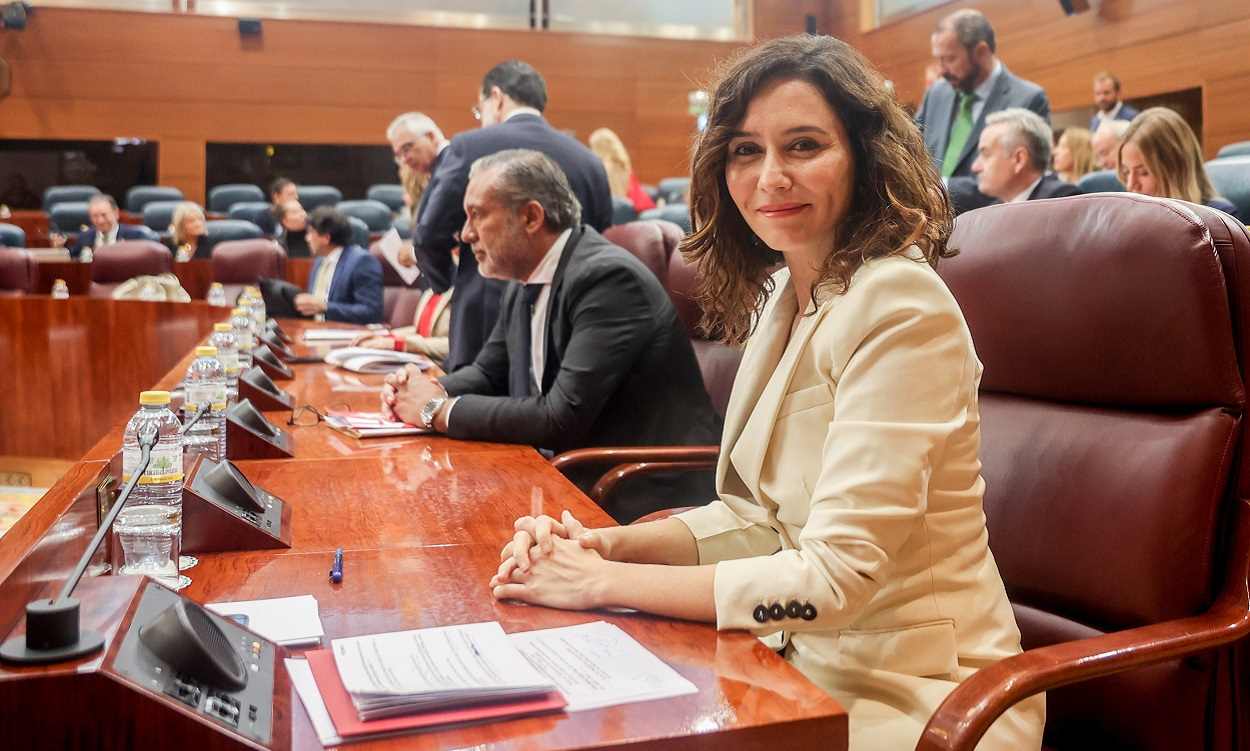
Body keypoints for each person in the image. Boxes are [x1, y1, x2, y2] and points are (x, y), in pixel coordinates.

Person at [488, 35, 1045, 750]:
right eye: (746, 151)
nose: (770, 176)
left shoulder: (905, 307)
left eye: (804, 145)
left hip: (920, 696)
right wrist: (606, 546)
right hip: (787, 661)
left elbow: (833, 576)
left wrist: (598, 583)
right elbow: (755, 518)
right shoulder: (784, 289)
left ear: (865, 157)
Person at [382, 149, 720, 522]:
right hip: (565, 470)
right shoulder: (525, 275)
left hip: (634, 486)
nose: (465, 233)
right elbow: (488, 374)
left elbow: (561, 417)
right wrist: (424, 389)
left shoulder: (607, 280)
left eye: (477, 214)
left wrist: (435, 411)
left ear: (530, 217)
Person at [413, 59, 613, 372]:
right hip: (571, 319)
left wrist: (451, 285)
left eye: (480, 110)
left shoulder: (468, 145)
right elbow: (601, 234)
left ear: (497, 97)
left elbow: (428, 233)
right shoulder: (589, 161)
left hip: (482, 312)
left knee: (472, 409)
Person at [916, 9, 1050, 179]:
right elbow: (913, 149)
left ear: (982, 52)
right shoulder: (937, 93)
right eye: (939, 59)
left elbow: (1021, 180)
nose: (942, 71)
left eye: (950, 59)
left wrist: (939, 190)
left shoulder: (1028, 99)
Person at [1118, 107, 1243, 221]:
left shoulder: (1220, 219)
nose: (1131, 184)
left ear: (1177, 171)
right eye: (1126, 172)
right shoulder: (1126, 219)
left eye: (1143, 173)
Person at [294, 206, 384, 324]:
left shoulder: (362, 261)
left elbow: (371, 312)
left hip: (347, 335)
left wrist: (325, 307)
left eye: (311, 232)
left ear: (326, 238)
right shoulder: (319, 261)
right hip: (315, 331)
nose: (307, 238)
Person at [971, 108, 1080, 204]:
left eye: (985, 154)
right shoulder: (992, 211)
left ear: (1019, 159)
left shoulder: (1062, 201)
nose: (975, 167)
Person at [354, 287, 454, 365]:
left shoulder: (460, 293)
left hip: (440, 369)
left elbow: (454, 346)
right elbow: (418, 330)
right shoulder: (430, 291)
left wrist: (400, 344)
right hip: (418, 360)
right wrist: (384, 337)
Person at [60, 194, 150, 259]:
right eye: (95, 216)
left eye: (104, 215)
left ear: (116, 213)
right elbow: (71, 260)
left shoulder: (135, 236)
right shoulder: (85, 237)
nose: (100, 221)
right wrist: (59, 248)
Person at [588, 127, 655, 213]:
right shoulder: (622, 164)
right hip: (639, 210)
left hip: (623, 213)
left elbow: (615, 199)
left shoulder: (604, 167)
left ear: (599, 148)